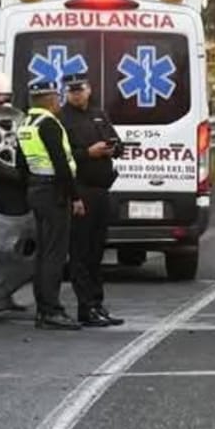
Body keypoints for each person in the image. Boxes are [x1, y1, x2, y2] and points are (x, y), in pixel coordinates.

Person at [15, 78, 85, 330]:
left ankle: (43, 311)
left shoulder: (25, 124)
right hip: (54, 191)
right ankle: (52, 311)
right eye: (56, 96)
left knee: (44, 253)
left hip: (36, 189)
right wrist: (75, 197)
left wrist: (32, 185)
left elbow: (20, 165)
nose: (59, 101)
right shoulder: (49, 125)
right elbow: (62, 164)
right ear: (48, 99)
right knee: (55, 254)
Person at [60, 71, 124, 328]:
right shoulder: (62, 119)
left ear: (89, 89)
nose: (77, 94)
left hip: (101, 190)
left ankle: (98, 304)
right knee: (81, 253)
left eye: (81, 89)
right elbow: (64, 158)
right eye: (72, 90)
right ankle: (85, 307)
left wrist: (114, 148)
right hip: (81, 190)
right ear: (67, 93)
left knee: (98, 251)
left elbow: (115, 141)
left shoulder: (99, 114)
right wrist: (88, 152)